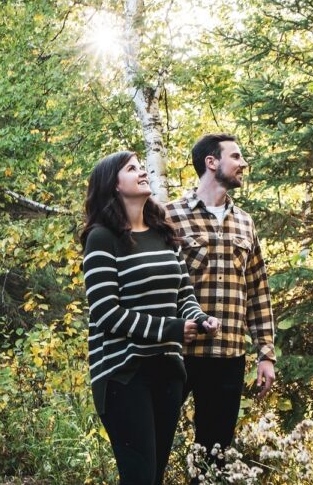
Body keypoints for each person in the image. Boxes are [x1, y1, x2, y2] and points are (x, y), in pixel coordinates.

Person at [82, 151, 220, 485]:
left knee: (153, 476)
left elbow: (183, 295)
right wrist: (172, 329)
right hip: (122, 373)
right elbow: (106, 313)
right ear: (114, 185)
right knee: (139, 477)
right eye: (132, 169)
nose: (142, 172)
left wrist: (200, 319)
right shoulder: (102, 238)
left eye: (142, 167)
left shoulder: (163, 233)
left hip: (167, 369)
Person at [166, 133, 276, 462]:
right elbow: (156, 285)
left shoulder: (245, 222)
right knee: (154, 439)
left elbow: (257, 289)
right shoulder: (170, 216)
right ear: (211, 162)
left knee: (215, 454)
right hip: (177, 353)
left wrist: (266, 354)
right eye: (236, 157)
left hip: (228, 355)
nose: (244, 164)